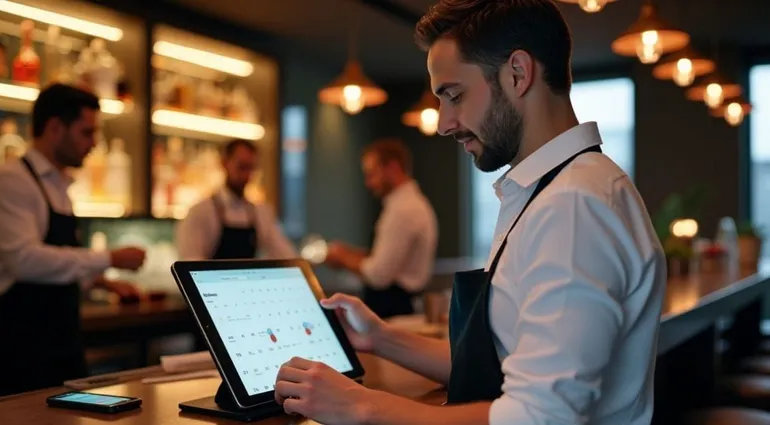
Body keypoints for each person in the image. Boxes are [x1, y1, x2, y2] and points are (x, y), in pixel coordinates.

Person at [273, 1, 667, 424]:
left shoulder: (572, 206)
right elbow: (504, 364)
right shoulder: (551, 191)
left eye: (455, 96)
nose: (443, 123)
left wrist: (358, 405)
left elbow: (539, 416)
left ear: (518, 73)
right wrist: (383, 338)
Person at [0, 83, 147, 397]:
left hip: (63, 341)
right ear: (55, 127)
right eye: (86, 132)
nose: (94, 143)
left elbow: (57, 260)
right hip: (20, 348)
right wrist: (110, 258)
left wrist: (101, 283)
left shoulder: (59, 185)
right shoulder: (9, 181)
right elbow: (26, 261)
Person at [324, 138, 438, 318]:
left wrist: (342, 258)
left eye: (372, 174)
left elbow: (379, 275)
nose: (368, 183)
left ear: (393, 168)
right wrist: (350, 254)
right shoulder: (407, 204)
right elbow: (385, 259)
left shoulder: (403, 210)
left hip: (394, 309)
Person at [175, 139, 296, 260]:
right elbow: (191, 260)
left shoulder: (261, 213)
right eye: (241, 167)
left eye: (251, 168)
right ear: (224, 163)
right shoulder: (201, 212)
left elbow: (285, 254)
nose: (246, 175)